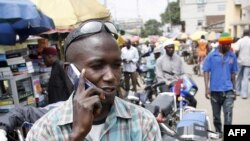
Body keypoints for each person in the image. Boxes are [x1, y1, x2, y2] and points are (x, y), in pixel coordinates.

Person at [25, 20, 162, 141]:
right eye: (97, 66)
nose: (110, 76)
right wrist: (76, 136)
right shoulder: (44, 131)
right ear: (70, 72)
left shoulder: (143, 122)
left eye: (116, 65)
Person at [203, 32, 238, 135]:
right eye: (227, 44)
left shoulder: (232, 55)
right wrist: (206, 88)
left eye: (230, 44)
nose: (229, 46)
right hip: (215, 91)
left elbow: (233, 74)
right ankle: (218, 132)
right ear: (221, 44)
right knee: (216, 116)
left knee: (228, 114)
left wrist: (234, 89)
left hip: (228, 90)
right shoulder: (211, 55)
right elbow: (206, 71)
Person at [155, 40, 197, 108]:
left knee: (192, 101)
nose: (171, 49)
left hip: (178, 83)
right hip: (166, 83)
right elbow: (159, 76)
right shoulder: (160, 60)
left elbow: (182, 73)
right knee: (167, 101)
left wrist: (185, 79)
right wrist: (168, 82)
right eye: (169, 47)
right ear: (165, 48)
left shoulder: (178, 59)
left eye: (172, 47)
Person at [235, 30, 250, 99]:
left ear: (243, 34)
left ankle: (237, 91)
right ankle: (244, 94)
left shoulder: (240, 41)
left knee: (239, 76)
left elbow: (236, 49)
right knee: (245, 77)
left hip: (240, 61)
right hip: (248, 62)